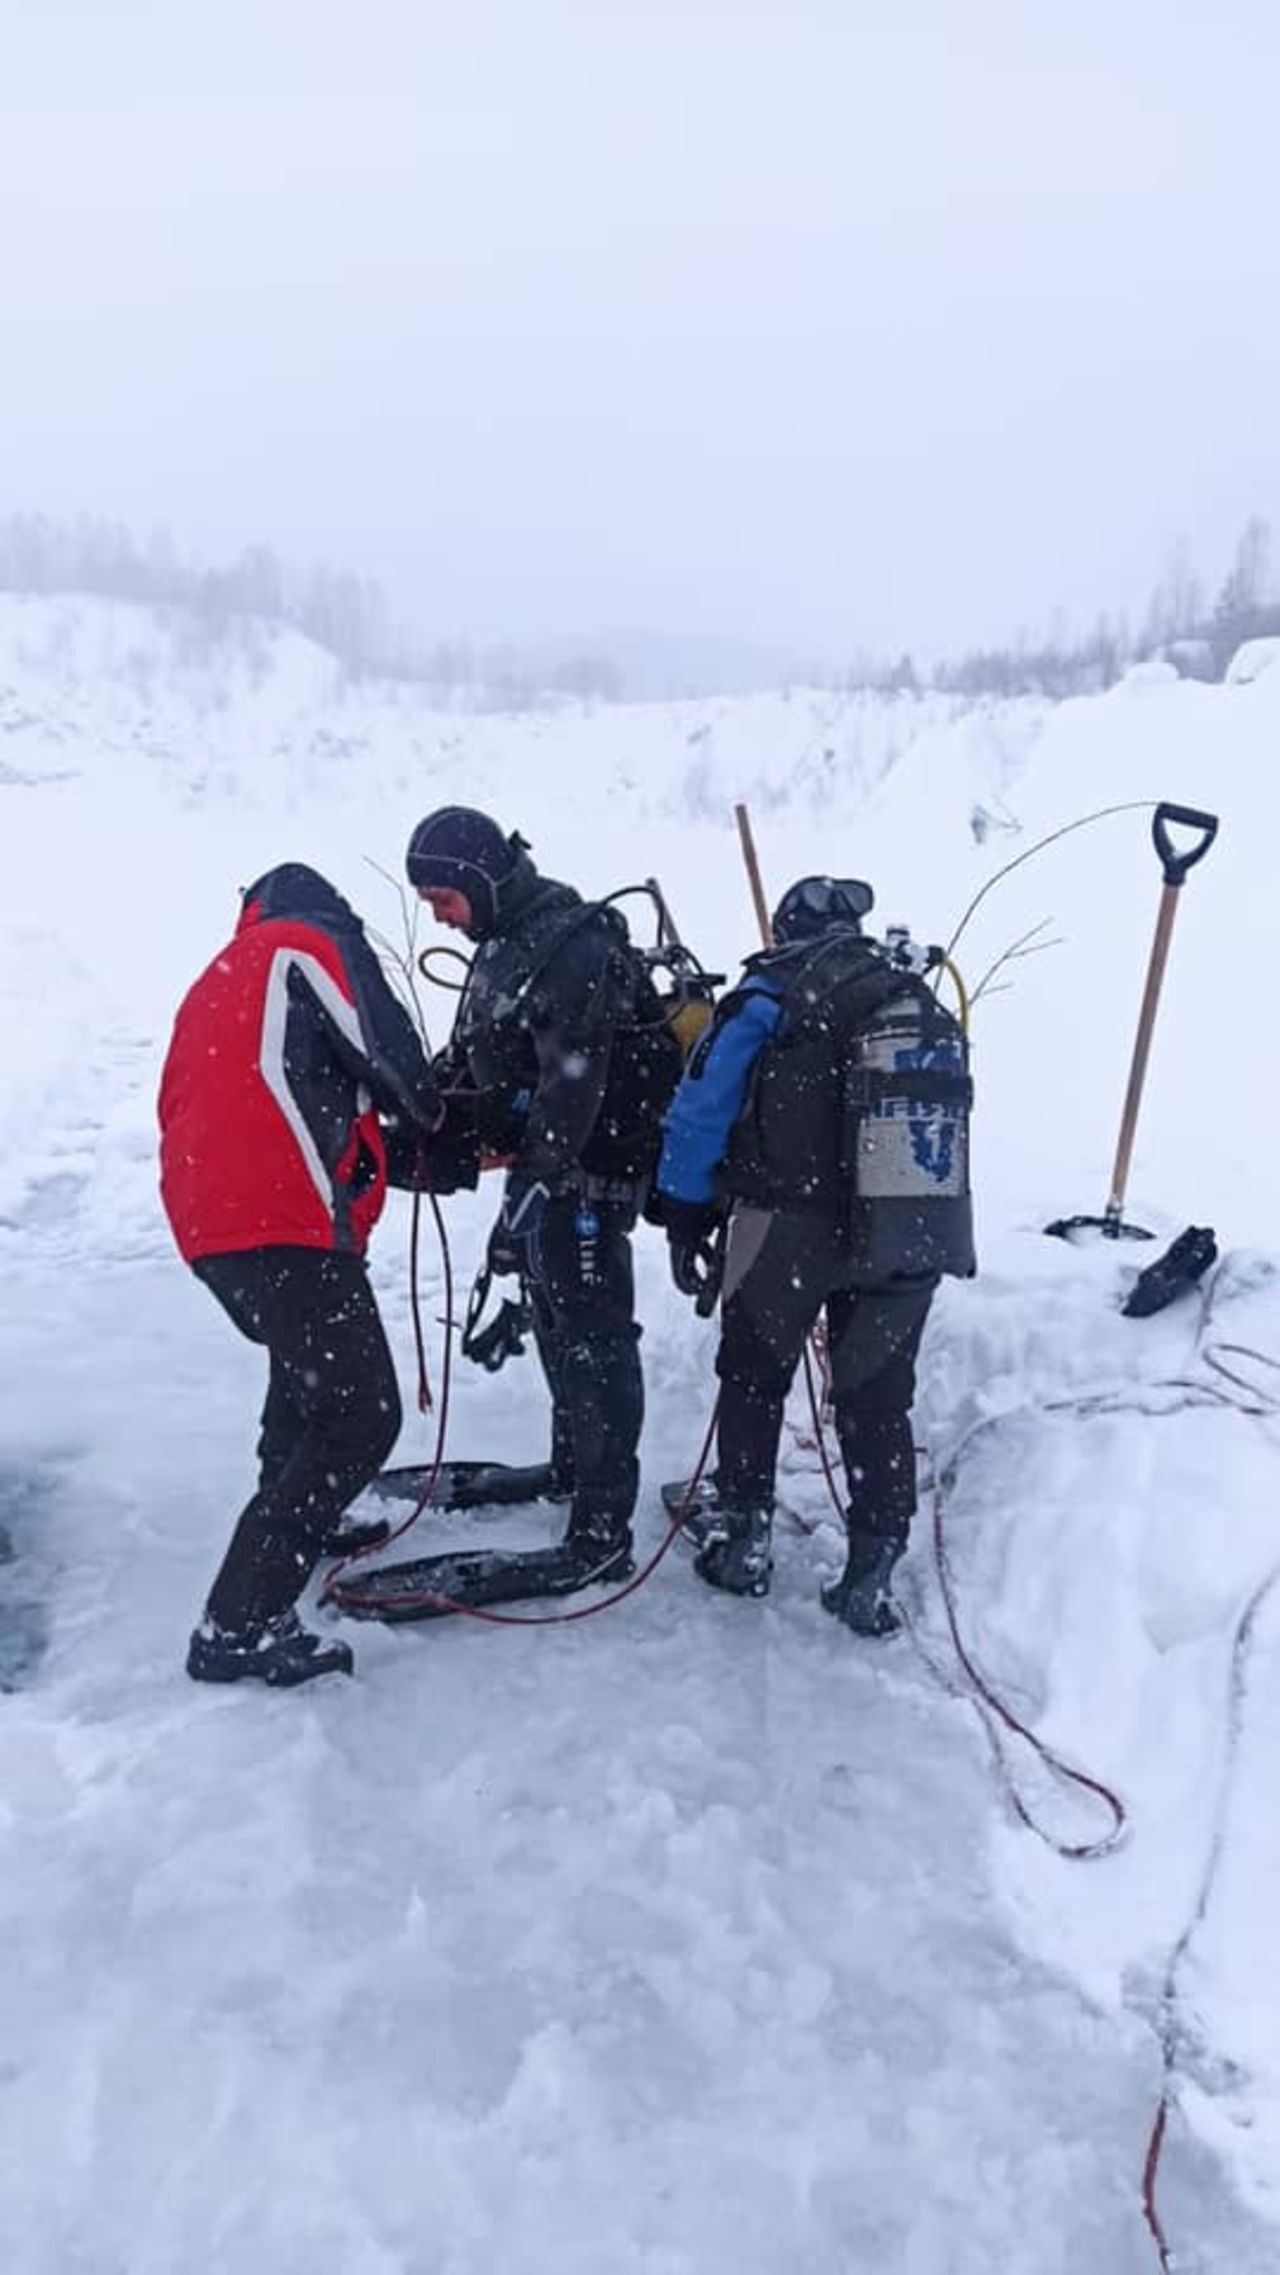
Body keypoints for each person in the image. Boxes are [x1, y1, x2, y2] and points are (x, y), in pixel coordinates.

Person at [653, 874, 975, 1636]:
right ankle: (871, 1569)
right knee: (876, 1396)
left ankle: (743, 1541)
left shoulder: (768, 995)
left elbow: (701, 1109)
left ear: (786, 926)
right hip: (905, 1228)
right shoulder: (913, 998)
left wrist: (684, 1211)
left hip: (787, 1224)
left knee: (755, 1374)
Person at [158, 862, 443, 1686]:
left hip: (214, 1227)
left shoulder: (218, 975)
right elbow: (393, 1062)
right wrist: (429, 1108)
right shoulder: (303, 945)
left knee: (310, 1374)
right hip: (280, 1214)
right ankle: (239, 1621)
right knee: (362, 1416)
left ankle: (301, 1517)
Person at [403, 805, 681, 1604]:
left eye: (444, 900)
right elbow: (478, 1052)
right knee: (558, 1320)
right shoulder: (504, 944)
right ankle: (570, 1466)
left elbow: (573, 1080)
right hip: (550, 1173)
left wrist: (531, 1182)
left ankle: (602, 1530)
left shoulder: (573, 943)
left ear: (480, 879)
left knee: (594, 1338)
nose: (440, 918)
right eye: (430, 905)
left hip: (589, 1175)